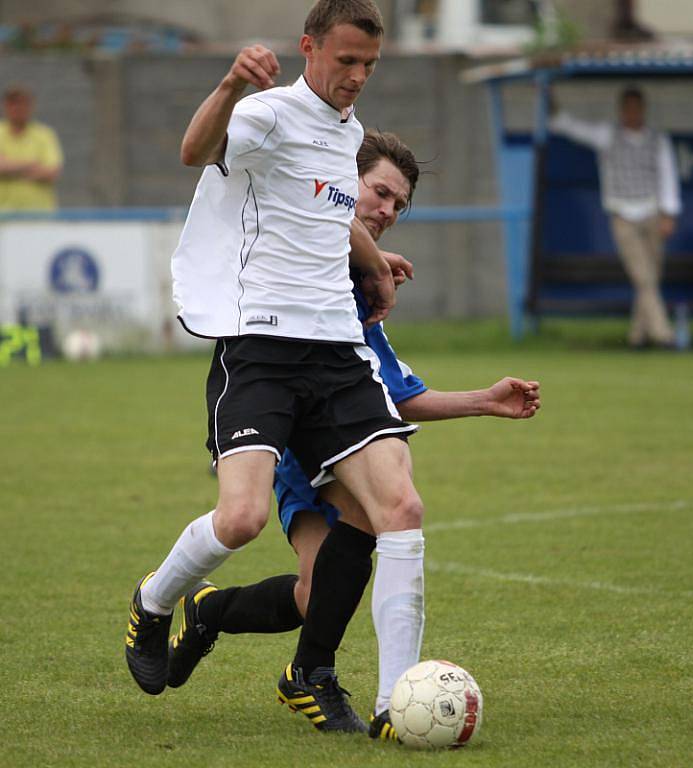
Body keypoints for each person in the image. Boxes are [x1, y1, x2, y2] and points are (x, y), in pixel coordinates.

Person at [165, 129, 541, 741]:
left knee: (322, 593)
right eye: (379, 192)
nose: (387, 210)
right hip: (290, 439)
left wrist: (483, 401)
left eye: (399, 204)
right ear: (345, 182)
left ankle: (220, 619)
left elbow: (397, 394)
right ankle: (313, 672)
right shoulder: (308, 254)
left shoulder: (362, 291)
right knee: (350, 540)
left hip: (341, 429)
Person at [126, 0, 425, 736]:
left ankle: (396, 705)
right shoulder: (266, 114)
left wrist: (371, 262)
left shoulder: (348, 134)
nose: (356, 77)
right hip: (258, 346)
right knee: (241, 518)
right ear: (309, 48)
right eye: (346, 60)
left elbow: (327, 211)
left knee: (399, 511)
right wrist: (230, 86)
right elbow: (195, 152)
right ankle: (155, 602)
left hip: (336, 353)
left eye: (369, 66)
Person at [550, 87, 681, 349]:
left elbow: (668, 176)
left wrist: (669, 212)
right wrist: (549, 98)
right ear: (621, 110)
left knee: (650, 278)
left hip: (652, 213)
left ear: (643, 109)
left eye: (636, 107)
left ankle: (637, 336)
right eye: (627, 107)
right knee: (642, 276)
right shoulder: (607, 136)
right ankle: (663, 334)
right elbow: (568, 125)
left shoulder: (658, 140)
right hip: (623, 214)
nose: (632, 113)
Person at [0, 85, 63, 211]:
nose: (18, 108)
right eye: (13, 103)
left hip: (39, 218)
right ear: (5, 106)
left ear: (31, 106)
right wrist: (31, 164)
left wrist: (9, 168)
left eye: (23, 104)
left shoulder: (45, 135)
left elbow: (52, 173)